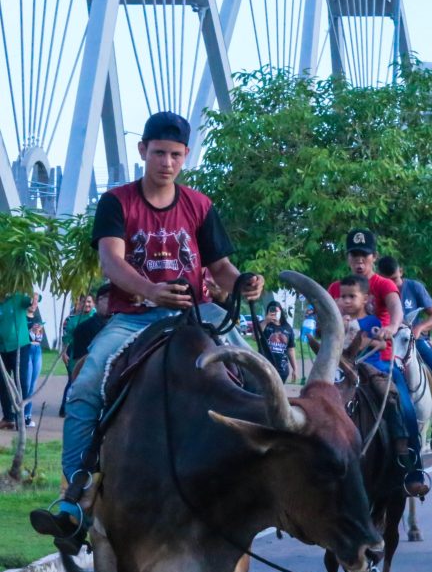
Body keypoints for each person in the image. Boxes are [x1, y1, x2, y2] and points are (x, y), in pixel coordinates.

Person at [31, 111, 264, 547]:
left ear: (186, 156)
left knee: (258, 372)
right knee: (83, 387)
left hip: (197, 316)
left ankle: (267, 470)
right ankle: (75, 494)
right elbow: (111, 262)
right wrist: (152, 292)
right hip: (133, 319)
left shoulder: (199, 204)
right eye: (159, 153)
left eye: (176, 155)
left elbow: (221, 268)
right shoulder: (117, 202)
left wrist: (245, 285)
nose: (167, 163)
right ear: (143, 151)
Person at [328, 230, 428, 497]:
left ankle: (412, 469)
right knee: (313, 399)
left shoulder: (384, 285)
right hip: (341, 364)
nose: (359, 261)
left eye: (364, 256)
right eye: (354, 255)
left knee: (404, 407)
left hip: (379, 363)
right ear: (348, 258)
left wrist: (392, 327)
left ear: (374, 257)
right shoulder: (337, 288)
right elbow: (326, 317)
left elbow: (396, 310)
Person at [376, 255, 432, 396]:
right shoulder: (376, 290)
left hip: (414, 341)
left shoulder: (414, 287)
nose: (392, 284)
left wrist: (420, 328)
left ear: (401, 272)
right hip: (385, 344)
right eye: (388, 280)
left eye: (395, 279)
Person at [0, 290, 32, 429]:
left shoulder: (17, 298)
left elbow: (31, 301)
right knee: (2, 383)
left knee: (21, 382)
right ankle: (8, 418)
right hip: (2, 349)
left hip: (20, 347)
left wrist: (34, 299)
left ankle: (21, 417)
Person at [58, 294, 95, 416]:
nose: (87, 304)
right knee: (73, 381)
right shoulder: (73, 320)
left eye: (89, 302)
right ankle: (65, 408)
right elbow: (67, 338)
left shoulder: (97, 317)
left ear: (93, 303)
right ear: (79, 303)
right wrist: (64, 353)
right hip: (76, 356)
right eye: (84, 302)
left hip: (93, 354)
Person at [68, 285, 113, 371]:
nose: (111, 302)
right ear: (97, 302)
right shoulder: (83, 328)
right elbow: (80, 362)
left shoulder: (119, 327)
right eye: (108, 298)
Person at [258, 301, 297, 382]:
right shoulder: (263, 324)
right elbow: (255, 337)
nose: (274, 313)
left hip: (282, 369)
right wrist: (265, 321)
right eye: (271, 310)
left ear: (281, 312)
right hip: (264, 367)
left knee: (277, 393)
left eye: (276, 310)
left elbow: (291, 350)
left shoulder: (287, 328)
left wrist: (295, 369)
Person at [22, 293, 44, 427]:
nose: (34, 304)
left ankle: (27, 415)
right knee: (26, 384)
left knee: (33, 385)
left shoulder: (37, 319)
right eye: (32, 301)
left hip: (37, 351)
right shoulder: (21, 318)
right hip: (27, 350)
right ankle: (21, 415)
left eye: (36, 302)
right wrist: (30, 330)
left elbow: (39, 339)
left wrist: (37, 332)